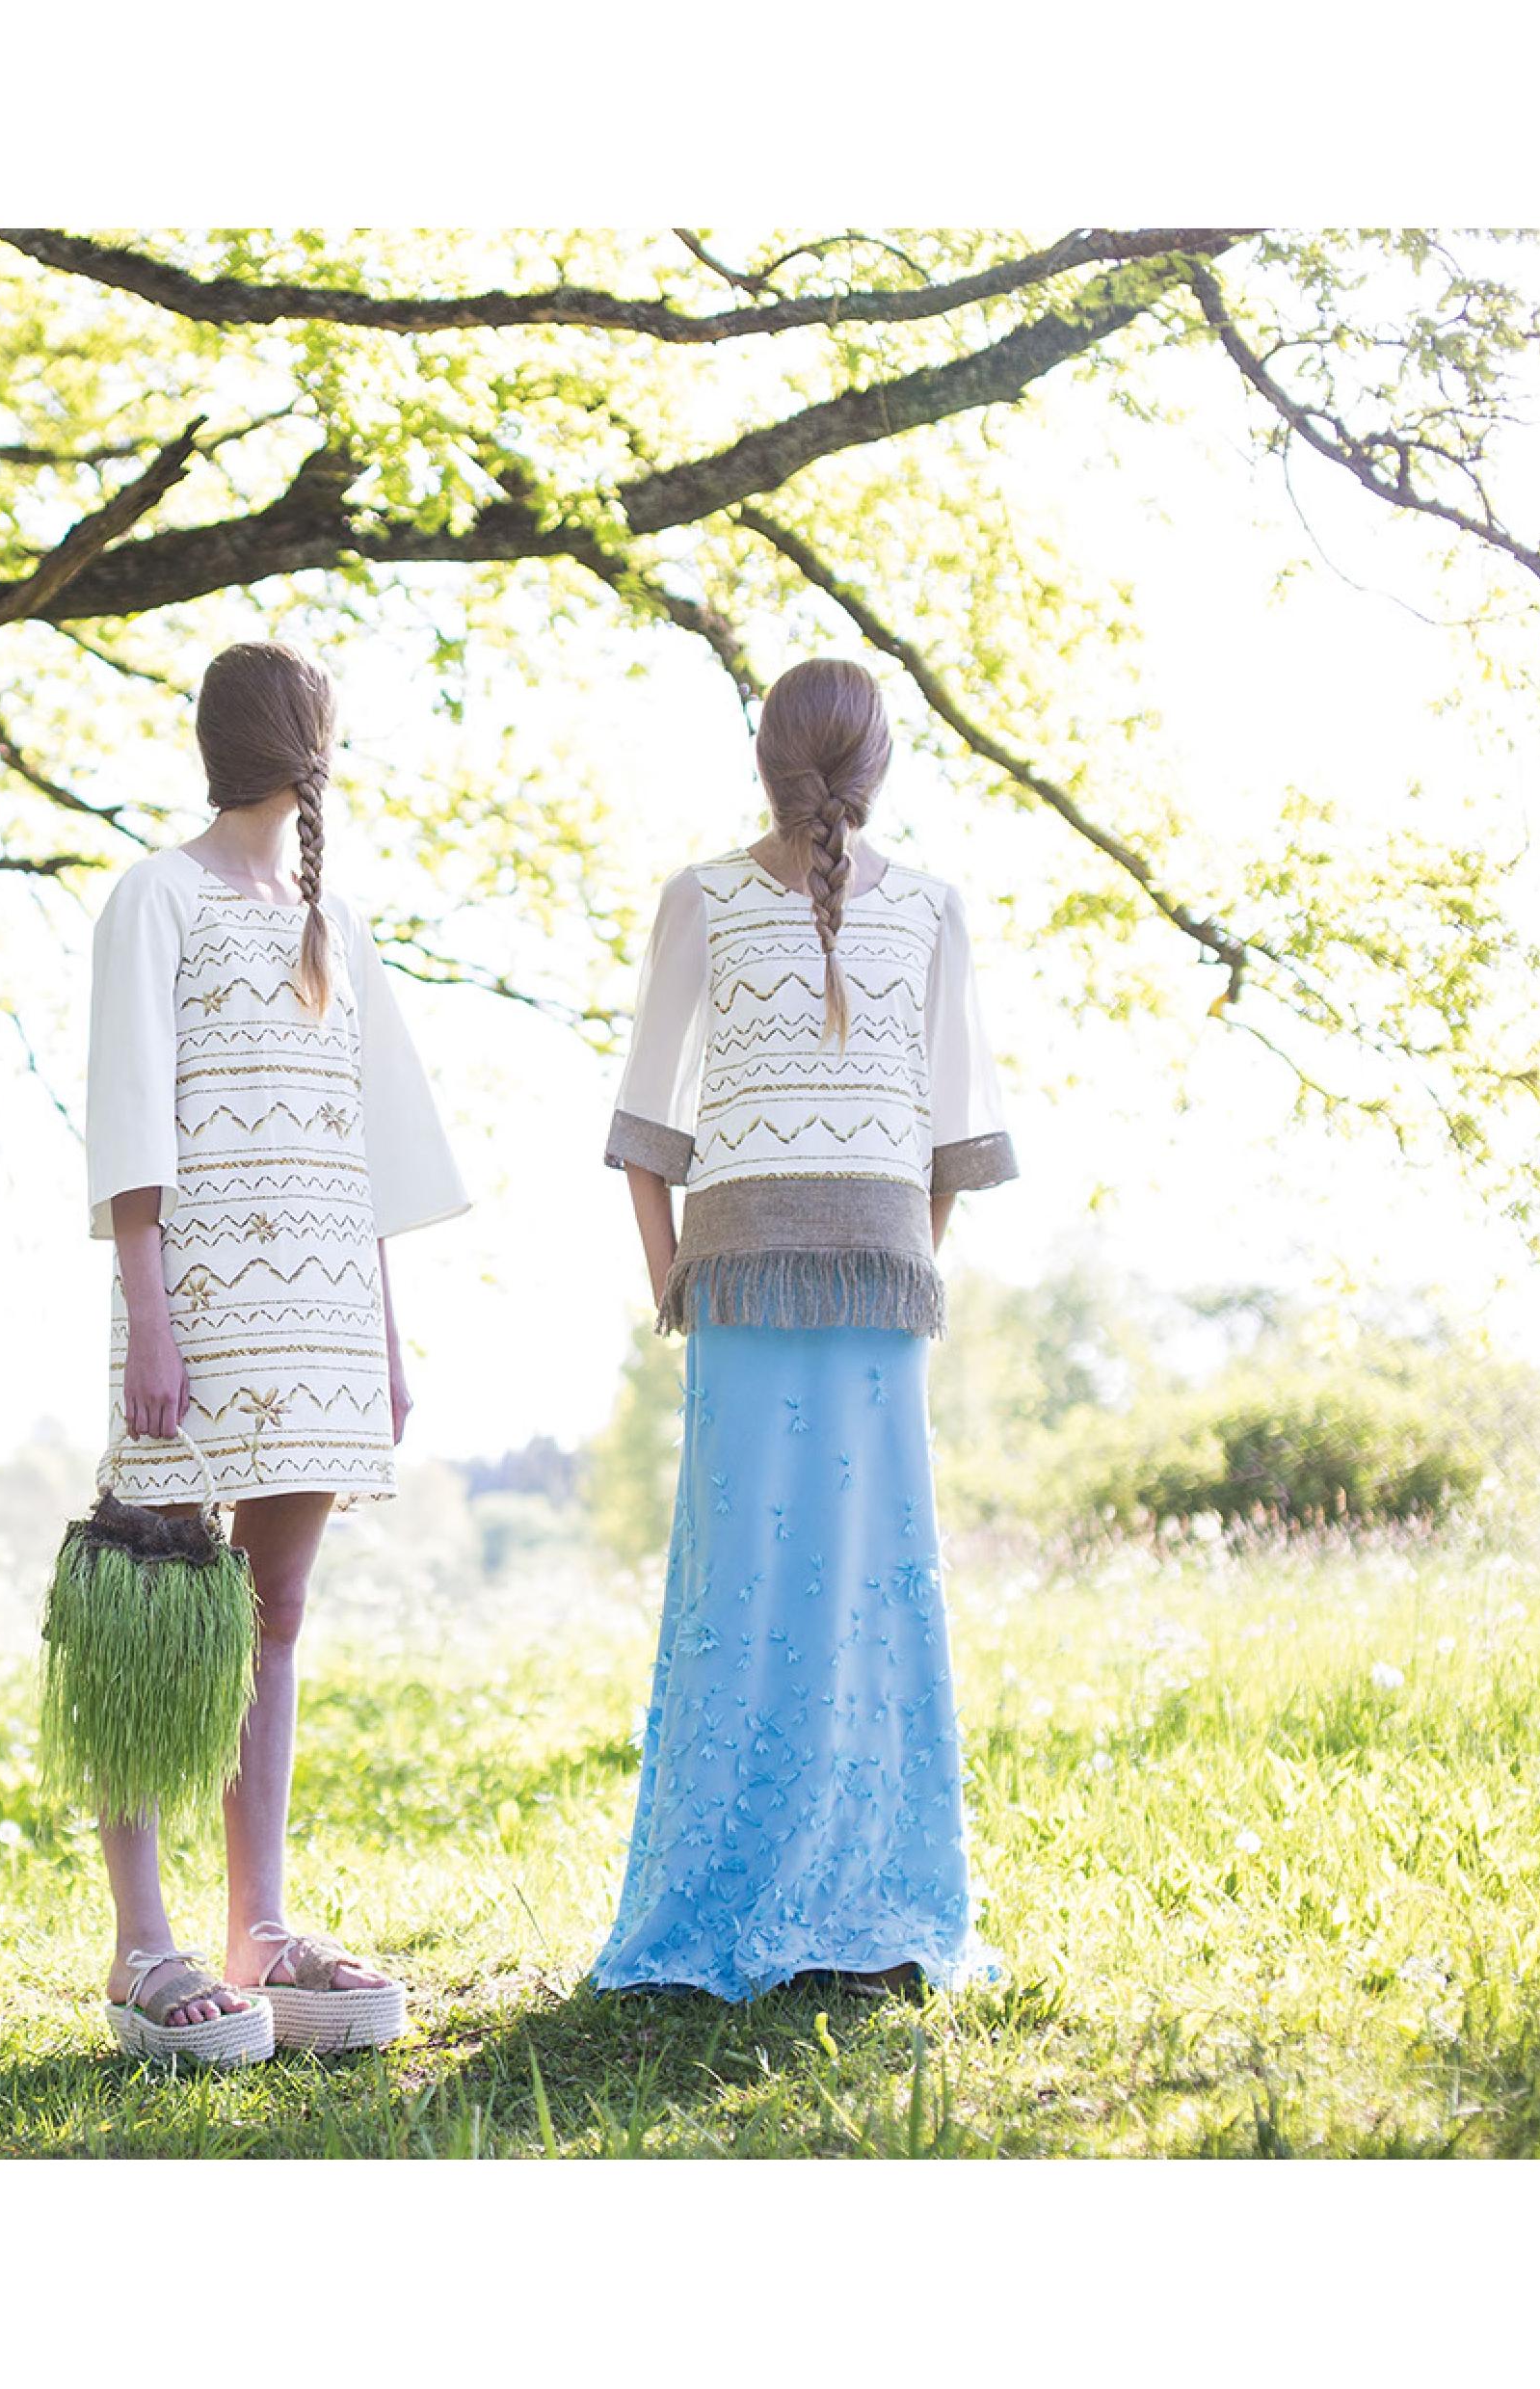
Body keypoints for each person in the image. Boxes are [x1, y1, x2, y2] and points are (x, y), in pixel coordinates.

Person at [589, 655, 1015, 2005]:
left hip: (810, 1298)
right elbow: (945, 1160)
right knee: (832, 1589)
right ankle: (795, 1892)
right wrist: (704, 1279)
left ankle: (848, 1893)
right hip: (809, 1296)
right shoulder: (707, 899)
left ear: (766, 758)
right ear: (876, 766)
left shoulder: (926, 911)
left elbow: (644, 1141)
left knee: (788, 1589)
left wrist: (678, 1279)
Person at [80, 639, 469, 2065]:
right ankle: (141, 1944)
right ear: (312, 745)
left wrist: (383, 1337)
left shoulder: (333, 924)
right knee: (149, 1602)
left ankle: (260, 1928)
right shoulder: (155, 898)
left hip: (321, 1316)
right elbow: (131, 1117)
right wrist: (151, 1315)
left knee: (278, 1607)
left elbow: (369, 1148)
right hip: (194, 1308)